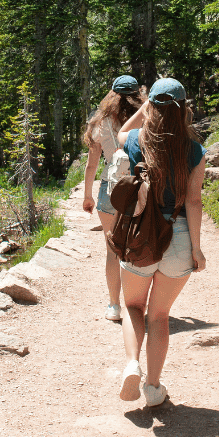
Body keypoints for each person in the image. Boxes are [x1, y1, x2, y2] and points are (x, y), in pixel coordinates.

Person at [114, 77, 206, 407]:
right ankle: (153, 388)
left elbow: (121, 132)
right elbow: (193, 202)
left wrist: (146, 108)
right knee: (160, 316)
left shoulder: (136, 140)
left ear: (151, 107)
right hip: (178, 238)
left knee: (133, 307)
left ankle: (131, 364)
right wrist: (196, 248)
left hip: (142, 235)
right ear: (183, 110)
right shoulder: (194, 150)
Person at [82, 75, 145, 321]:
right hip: (140, 187)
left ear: (111, 95)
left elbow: (91, 164)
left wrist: (87, 195)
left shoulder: (100, 122)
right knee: (137, 245)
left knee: (112, 251)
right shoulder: (147, 118)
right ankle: (136, 304)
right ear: (137, 93)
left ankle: (113, 306)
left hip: (110, 186)